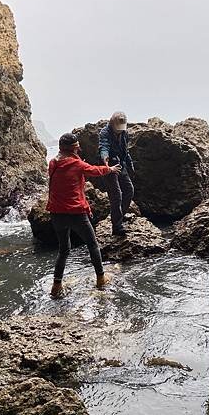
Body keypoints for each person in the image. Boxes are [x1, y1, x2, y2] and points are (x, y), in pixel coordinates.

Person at [46, 133, 121, 298]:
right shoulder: (77, 164)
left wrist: (80, 166)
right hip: (76, 213)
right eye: (77, 145)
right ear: (73, 148)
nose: (79, 148)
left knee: (64, 249)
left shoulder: (53, 163)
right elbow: (94, 170)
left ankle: (56, 285)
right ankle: (101, 279)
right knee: (92, 245)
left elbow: (70, 172)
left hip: (56, 213)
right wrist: (111, 169)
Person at [98, 111, 135, 236]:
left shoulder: (125, 133)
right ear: (111, 124)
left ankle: (120, 216)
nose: (120, 130)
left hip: (120, 163)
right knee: (116, 195)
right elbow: (104, 146)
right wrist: (105, 158)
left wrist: (130, 164)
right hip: (109, 165)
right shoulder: (105, 132)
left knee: (129, 190)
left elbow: (125, 150)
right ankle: (117, 227)